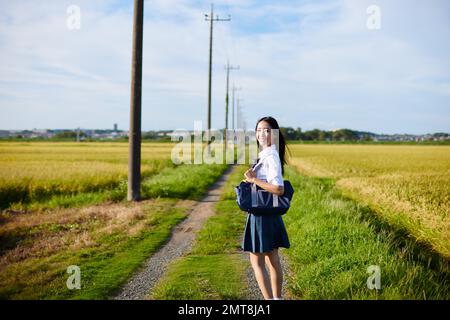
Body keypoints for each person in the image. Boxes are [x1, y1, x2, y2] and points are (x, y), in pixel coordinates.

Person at [242, 116, 290, 300]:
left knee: (259, 262)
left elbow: (278, 188)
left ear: (274, 134)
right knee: (272, 259)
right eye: (259, 130)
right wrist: (251, 179)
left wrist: (254, 180)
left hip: (262, 215)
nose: (262, 133)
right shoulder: (267, 154)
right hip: (267, 214)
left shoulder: (270, 156)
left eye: (267, 130)